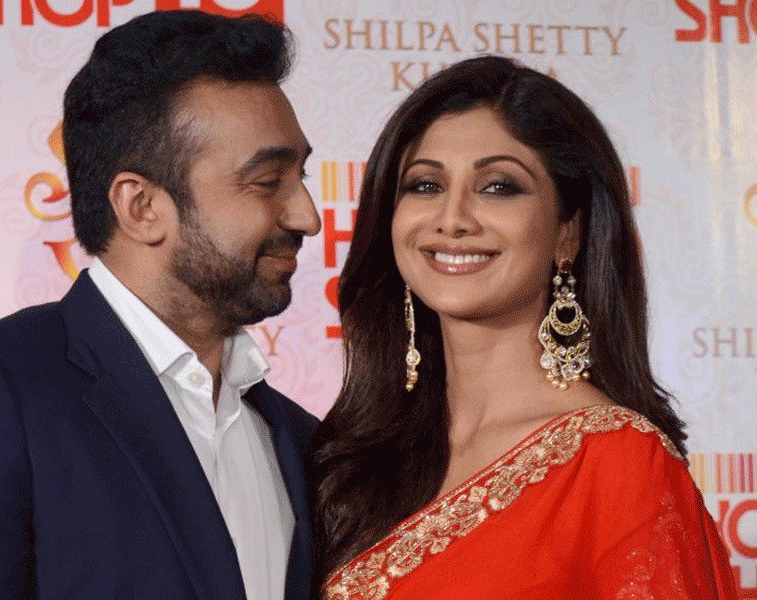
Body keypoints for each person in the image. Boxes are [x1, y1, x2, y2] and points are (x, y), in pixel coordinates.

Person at [0, 10, 321, 600]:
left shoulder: (301, 440)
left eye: (302, 176)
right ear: (141, 207)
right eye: (268, 181)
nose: (308, 216)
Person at [310, 56, 736, 599]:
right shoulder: (353, 457)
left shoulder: (619, 465)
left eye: (497, 187)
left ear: (567, 232)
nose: (452, 219)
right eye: (425, 185)